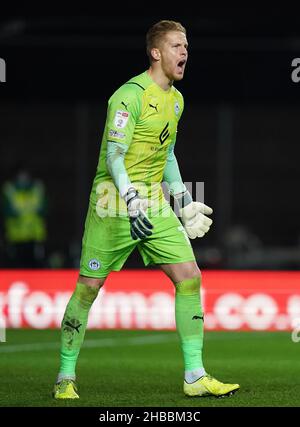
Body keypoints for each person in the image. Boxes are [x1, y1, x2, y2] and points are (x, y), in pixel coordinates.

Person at [53, 20, 239, 399]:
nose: (184, 52)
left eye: (186, 46)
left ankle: (194, 376)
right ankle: (65, 377)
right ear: (156, 52)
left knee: (190, 276)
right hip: (110, 202)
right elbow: (114, 155)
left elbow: (166, 152)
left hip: (152, 203)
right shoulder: (128, 96)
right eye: (176, 46)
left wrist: (183, 203)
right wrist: (130, 197)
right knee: (88, 289)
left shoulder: (177, 100)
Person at [1, 166, 47, 268]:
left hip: (35, 237)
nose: (23, 177)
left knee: (35, 267)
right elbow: (6, 211)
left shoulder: (37, 189)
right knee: (16, 267)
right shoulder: (9, 190)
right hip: (16, 238)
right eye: (21, 175)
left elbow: (45, 209)